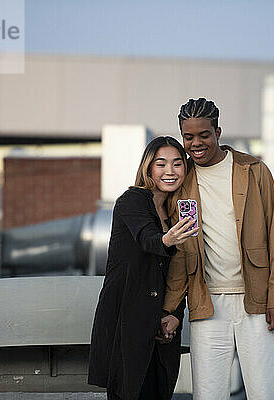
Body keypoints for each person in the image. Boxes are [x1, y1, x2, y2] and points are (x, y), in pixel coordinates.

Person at [162, 98, 274, 399]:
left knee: (267, 393)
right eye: (188, 137)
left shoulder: (254, 170)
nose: (196, 143)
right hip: (206, 304)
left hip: (258, 303)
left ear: (218, 132)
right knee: (208, 394)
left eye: (204, 135)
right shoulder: (181, 181)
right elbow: (181, 254)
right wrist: (169, 308)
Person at [88, 136, 199, 400]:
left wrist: (175, 315)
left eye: (177, 164)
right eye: (161, 164)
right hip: (128, 319)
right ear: (148, 168)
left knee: (160, 390)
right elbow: (147, 238)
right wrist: (168, 239)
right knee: (128, 391)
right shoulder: (132, 200)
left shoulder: (177, 211)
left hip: (163, 324)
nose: (170, 171)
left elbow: (180, 273)